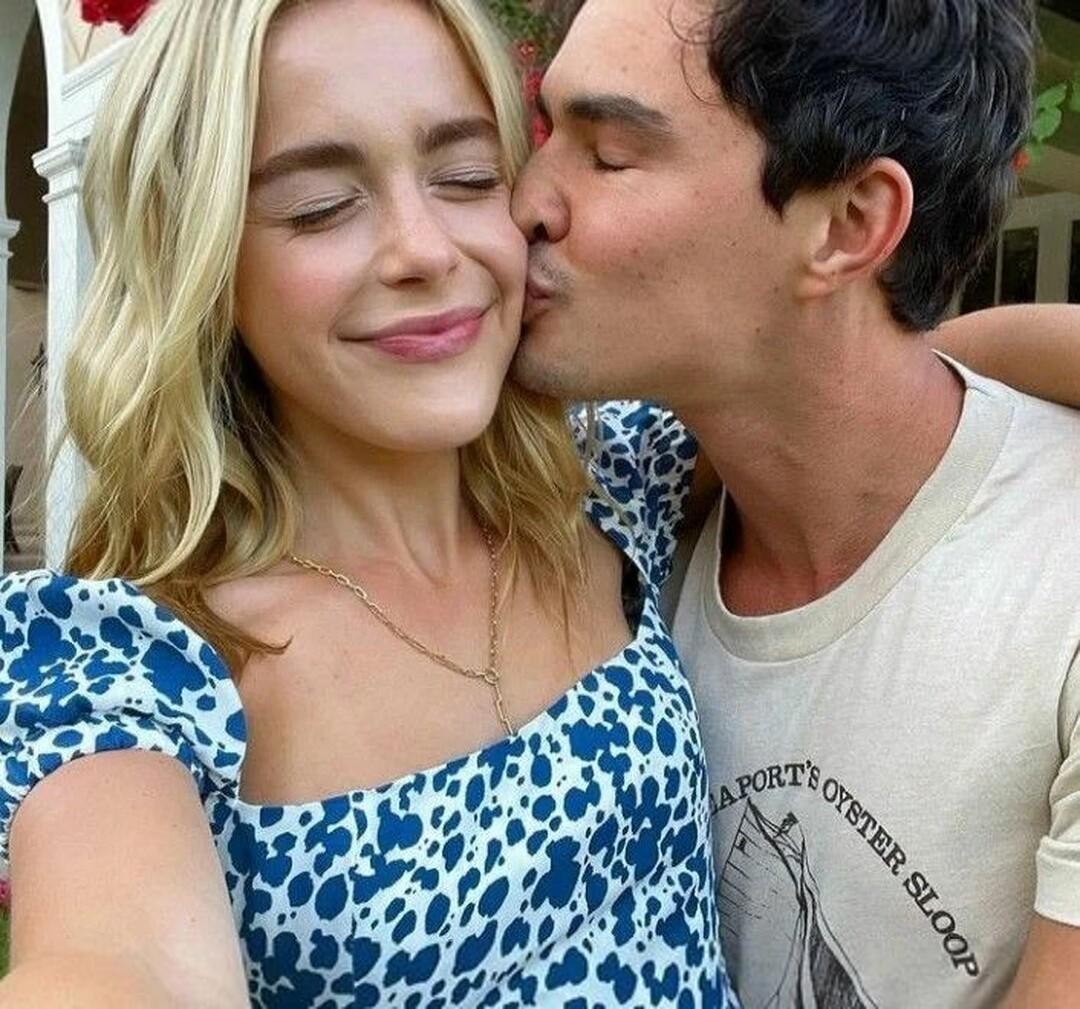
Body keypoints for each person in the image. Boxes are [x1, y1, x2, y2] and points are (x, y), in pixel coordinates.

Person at [0, 1, 736, 1006]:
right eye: (319, 207)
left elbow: (862, 368)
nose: (423, 249)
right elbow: (115, 961)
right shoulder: (138, 665)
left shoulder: (603, 488)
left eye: (466, 177)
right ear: (204, 262)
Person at [512, 0, 1080, 1006]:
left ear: (848, 225)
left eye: (608, 154)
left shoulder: (1054, 577)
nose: (524, 203)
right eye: (544, 133)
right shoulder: (608, 520)